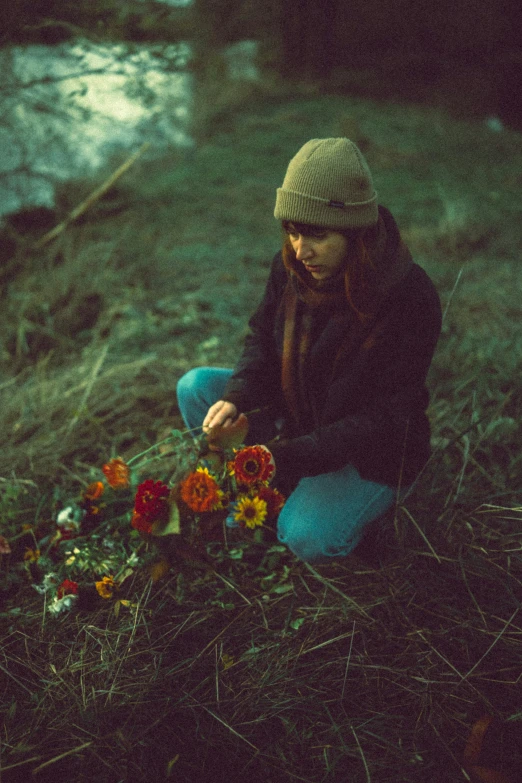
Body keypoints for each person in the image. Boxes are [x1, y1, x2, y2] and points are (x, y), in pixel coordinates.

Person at [176, 138, 442, 564]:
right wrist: (237, 396)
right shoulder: (290, 267)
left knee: (306, 536)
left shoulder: (409, 296)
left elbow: (384, 418)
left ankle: (364, 512)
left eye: (317, 234)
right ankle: (262, 493)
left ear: (355, 232)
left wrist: (283, 458)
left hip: (369, 455)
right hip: (300, 421)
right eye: (293, 232)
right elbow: (261, 339)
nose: (301, 251)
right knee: (196, 388)